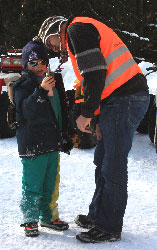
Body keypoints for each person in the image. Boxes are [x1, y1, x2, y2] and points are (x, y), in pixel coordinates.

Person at [37, 16, 150, 243]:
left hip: (126, 99)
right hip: (117, 100)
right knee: (102, 160)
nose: (52, 48)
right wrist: (97, 120)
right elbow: (93, 80)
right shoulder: (78, 34)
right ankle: (98, 216)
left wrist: (86, 114)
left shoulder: (76, 30)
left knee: (113, 164)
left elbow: (95, 74)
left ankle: (109, 227)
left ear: (54, 31)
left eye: (50, 43)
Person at [11, 40, 69, 237]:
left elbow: (59, 111)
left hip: (51, 142)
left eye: (42, 62)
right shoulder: (22, 85)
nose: (39, 67)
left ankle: (48, 217)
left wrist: (65, 134)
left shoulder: (53, 81)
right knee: (33, 184)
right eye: (33, 63)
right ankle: (30, 219)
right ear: (26, 64)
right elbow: (26, 110)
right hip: (32, 144)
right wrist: (41, 90)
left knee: (50, 184)